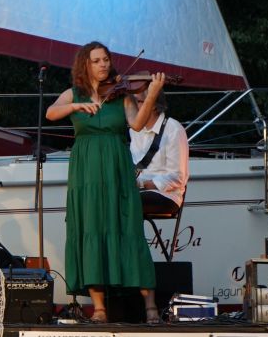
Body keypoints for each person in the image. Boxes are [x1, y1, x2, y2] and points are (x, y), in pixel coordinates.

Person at [45, 42, 164, 323]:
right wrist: (77, 105)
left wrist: (152, 95)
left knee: (128, 227)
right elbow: (50, 113)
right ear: (85, 64)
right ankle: (99, 307)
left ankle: (150, 305)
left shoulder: (122, 95)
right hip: (85, 171)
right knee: (91, 228)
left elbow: (137, 124)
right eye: (97, 60)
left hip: (116, 168)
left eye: (106, 60)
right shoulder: (73, 93)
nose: (103, 65)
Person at [129, 91, 189, 215]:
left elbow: (176, 177)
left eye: (139, 101)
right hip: (136, 192)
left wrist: (140, 184)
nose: (134, 106)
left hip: (167, 195)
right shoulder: (133, 131)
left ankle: (131, 235)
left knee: (126, 202)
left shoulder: (173, 129)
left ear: (154, 105)